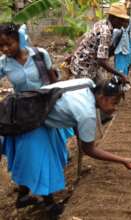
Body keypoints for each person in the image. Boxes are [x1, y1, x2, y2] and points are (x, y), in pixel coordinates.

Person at [0, 23, 71, 211]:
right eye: (1, 47)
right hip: (24, 117)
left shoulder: (39, 55)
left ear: (18, 39)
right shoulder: (3, 64)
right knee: (39, 155)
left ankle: (23, 196)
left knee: (37, 154)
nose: (5, 49)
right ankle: (49, 203)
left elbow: (53, 80)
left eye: (9, 44)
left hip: (45, 110)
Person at [42, 77, 131, 170]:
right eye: (114, 103)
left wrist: (80, 134)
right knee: (40, 170)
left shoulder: (87, 83)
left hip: (39, 105)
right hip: (34, 121)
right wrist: (123, 160)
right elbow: (89, 150)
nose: (115, 108)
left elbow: (75, 110)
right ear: (102, 98)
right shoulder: (88, 114)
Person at [70, 3, 130, 83]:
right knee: (89, 92)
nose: (122, 23)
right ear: (112, 18)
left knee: (101, 84)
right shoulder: (105, 33)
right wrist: (121, 75)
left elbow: (85, 40)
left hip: (80, 62)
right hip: (84, 68)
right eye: (121, 20)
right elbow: (101, 61)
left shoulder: (101, 23)